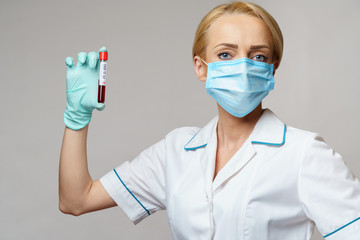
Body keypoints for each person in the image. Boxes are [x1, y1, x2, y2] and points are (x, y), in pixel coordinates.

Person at [59, 2, 360, 239]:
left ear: (272, 68)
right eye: (226, 54)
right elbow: (76, 200)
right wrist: (77, 119)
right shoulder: (175, 151)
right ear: (200, 68)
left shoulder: (304, 154)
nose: (243, 67)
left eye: (257, 57)